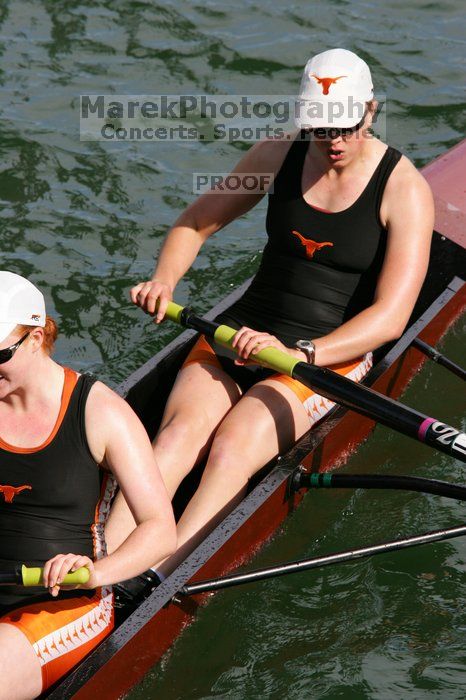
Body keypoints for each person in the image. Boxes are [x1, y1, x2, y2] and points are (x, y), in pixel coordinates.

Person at [124, 48, 434, 582]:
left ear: (371, 111)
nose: (333, 142)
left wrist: (303, 352)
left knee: (230, 450)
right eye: (319, 129)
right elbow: (197, 221)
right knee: (175, 439)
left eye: (346, 127)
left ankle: (159, 582)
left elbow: (390, 318)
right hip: (239, 332)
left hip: (327, 354)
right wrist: (164, 280)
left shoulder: (405, 190)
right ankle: (107, 562)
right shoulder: (278, 153)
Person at [0, 271, 177, 699]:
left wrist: (93, 573)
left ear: (36, 337)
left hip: (65, 600)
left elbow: (160, 530)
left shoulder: (100, 412)